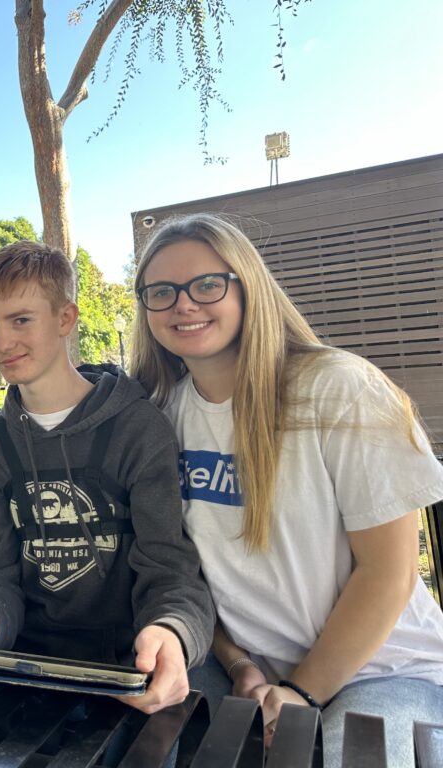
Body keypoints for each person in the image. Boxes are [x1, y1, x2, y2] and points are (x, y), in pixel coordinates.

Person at [130, 213, 443, 767]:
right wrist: (239, 666)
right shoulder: (162, 418)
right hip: (250, 674)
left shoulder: (339, 388)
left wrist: (301, 693)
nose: (184, 304)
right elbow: (194, 577)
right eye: (162, 291)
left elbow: (388, 572)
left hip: (388, 669)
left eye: (207, 284)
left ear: (249, 288)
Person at [0, 241, 214, 715]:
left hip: (128, 669)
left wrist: (172, 631)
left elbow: (169, 566)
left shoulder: (137, 428)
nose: (1, 343)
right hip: (23, 669)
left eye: (21, 320)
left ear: (65, 319)